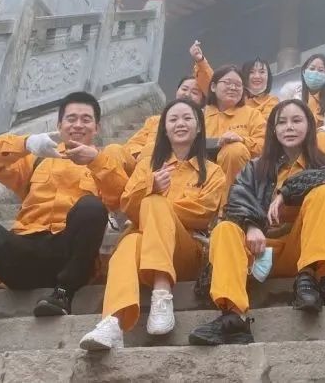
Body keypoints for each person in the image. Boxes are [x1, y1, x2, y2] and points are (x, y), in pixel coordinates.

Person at [0, 92, 125, 356]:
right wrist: (27, 143)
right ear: (59, 124)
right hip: (27, 251)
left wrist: (95, 161)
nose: (78, 125)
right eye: (71, 118)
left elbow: (122, 196)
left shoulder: (106, 162)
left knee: (91, 207)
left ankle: (63, 294)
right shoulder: (38, 158)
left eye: (86, 119)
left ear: (97, 127)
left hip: (71, 256)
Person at [189, 99, 325, 345]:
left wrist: (286, 192)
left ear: (309, 127)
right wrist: (251, 225)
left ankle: (309, 279)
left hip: (300, 251)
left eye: (296, 121)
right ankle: (233, 317)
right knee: (224, 229)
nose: (289, 127)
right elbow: (236, 201)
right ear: (273, 130)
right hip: (258, 252)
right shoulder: (255, 168)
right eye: (282, 122)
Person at [79, 99, 226, 351]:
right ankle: (113, 322)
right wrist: (151, 186)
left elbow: (202, 213)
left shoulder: (212, 171)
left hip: (186, 250)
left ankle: (162, 292)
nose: (180, 123)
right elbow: (128, 205)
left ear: (199, 126)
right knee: (129, 242)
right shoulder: (148, 167)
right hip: (144, 248)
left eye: (187, 118)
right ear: (164, 129)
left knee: (155, 203)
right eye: (173, 119)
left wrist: (157, 205)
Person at [104, 75, 207, 176]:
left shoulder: (203, 123)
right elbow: (133, 144)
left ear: (203, 101)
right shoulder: (154, 121)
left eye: (194, 92)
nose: (187, 94)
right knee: (113, 150)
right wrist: (143, 154)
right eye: (184, 89)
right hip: (140, 166)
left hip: (169, 169)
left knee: (152, 149)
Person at [205, 65, 266, 192]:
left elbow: (265, 145)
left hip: (242, 181)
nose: (233, 88)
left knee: (234, 150)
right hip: (204, 179)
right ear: (213, 87)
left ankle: (232, 200)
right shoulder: (199, 116)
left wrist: (242, 140)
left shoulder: (252, 114)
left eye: (238, 85)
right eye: (227, 83)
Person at [189, 41, 279, 118]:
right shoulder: (233, 95)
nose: (257, 76)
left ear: (268, 76)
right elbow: (213, 83)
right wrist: (200, 60)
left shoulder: (271, 101)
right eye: (251, 72)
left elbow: (264, 126)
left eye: (262, 72)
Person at [279, 54, 325, 137]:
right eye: (312, 69)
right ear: (304, 72)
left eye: (320, 70)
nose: (315, 73)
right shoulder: (291, 97)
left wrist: (321, 132)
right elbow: (282, 123)